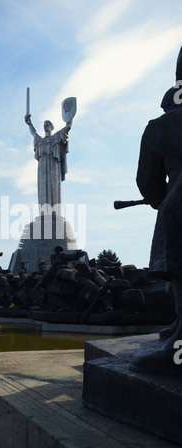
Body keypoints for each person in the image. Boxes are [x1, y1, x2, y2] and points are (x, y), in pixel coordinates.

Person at [130, 48, 182, 374]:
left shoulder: (159, 127)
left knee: (179, 270)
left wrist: (159, 200)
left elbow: (147, 182)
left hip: (178, 203)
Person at [25, 115, 72, 214]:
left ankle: (55, 213)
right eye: (44, 125)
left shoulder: (56, 137)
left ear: (51, 126)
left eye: (47, 125)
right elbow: (34, 133)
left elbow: (67, 128)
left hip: (53, 164)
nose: (45, 126)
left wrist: (69, 117)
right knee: (43, 189)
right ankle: (44, 213)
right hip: (42, 165)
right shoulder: (40, 140)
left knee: (53, 187)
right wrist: (29, 123)